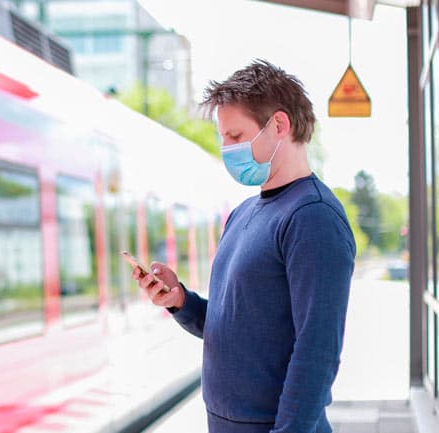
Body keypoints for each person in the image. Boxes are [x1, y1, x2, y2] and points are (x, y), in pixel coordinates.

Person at [130, 60, 355, 433]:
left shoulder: (313, 217)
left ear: (279, 126)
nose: (226, 148)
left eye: (235, 135)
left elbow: (318, 352)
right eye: (223, 137)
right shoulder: (244, 213)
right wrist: (180, 301)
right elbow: (234, 325)